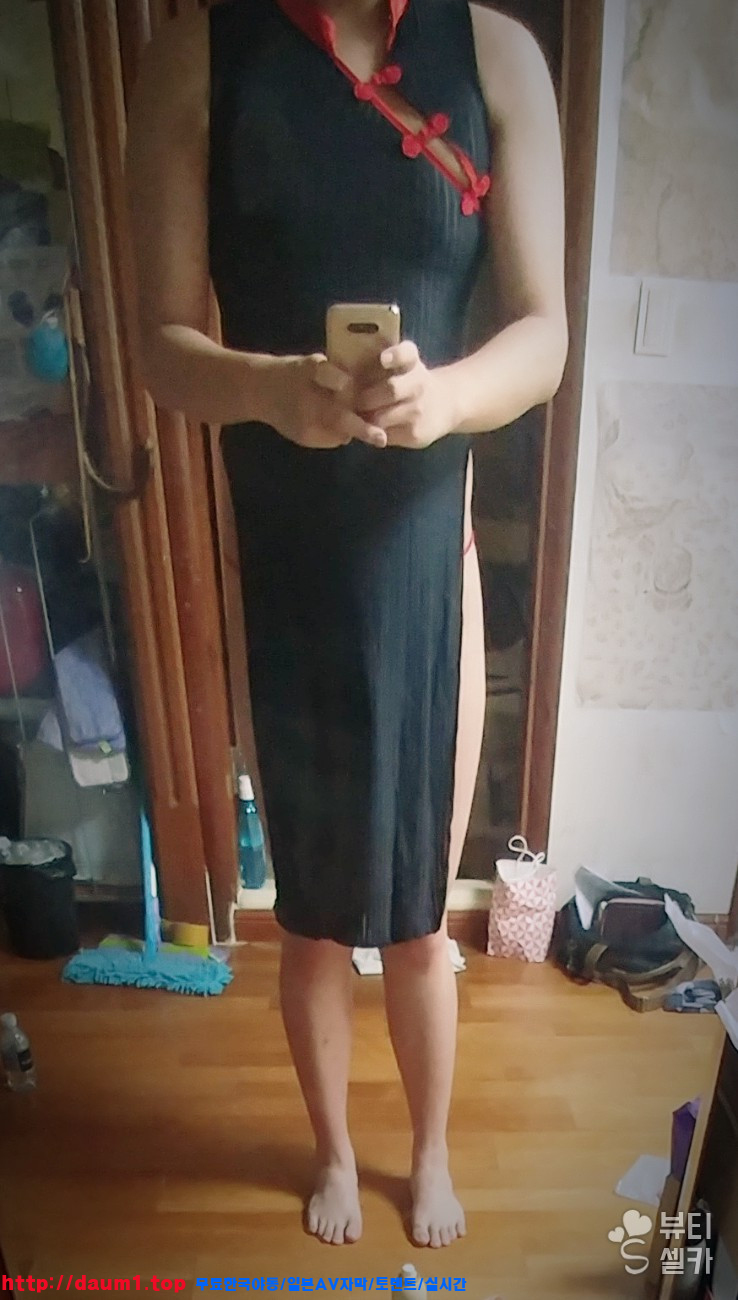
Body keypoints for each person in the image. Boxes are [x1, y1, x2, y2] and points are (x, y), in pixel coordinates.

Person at [126, 0, 567, 1251]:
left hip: (430, 569)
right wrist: (273, 389)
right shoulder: (197, 54)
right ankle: (331, 1149)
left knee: (422, 911)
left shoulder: (495, 55)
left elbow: (544, 334)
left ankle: (428, 1153)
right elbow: (162, 346)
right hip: (286, 572)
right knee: (314, 915)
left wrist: (447, 399)